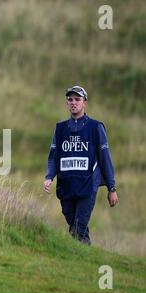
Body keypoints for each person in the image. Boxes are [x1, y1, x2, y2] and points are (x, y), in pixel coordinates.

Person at [43, 85, 118, 245]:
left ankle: (79, 258)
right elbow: (54, 156)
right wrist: (49, 176)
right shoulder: (60, 128)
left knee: (78, 227)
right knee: (75, 228)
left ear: (85, 103)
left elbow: (105, 158)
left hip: (88, 186)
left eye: (77, 99)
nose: (73, 103)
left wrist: (112, 188)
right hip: (66, 187)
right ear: (66, 103)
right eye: (70, 99)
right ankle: (86, 258)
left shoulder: (96, 127)